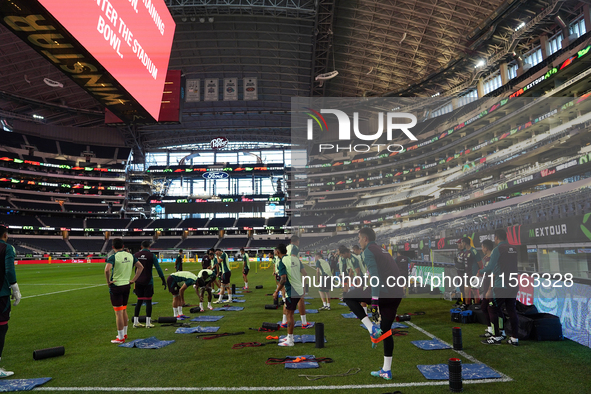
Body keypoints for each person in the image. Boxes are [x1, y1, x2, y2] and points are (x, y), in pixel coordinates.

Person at [344, 227, 404, 380]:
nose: (358, 241)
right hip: (396, 294)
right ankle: (386, 370)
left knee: (348, 297)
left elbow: (375, 278)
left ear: (365, 239)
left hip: (385, 292)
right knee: (386, 332)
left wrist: (375, 302)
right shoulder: (381, 249)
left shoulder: (368, 251)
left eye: (359, 238)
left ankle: (371, 329)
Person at [479, 229, 519, 346]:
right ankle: (514, 338)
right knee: (512, 310)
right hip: (513, 283)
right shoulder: (514, 249)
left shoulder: (498, 249)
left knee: (492, 309)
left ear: (496, 238)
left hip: (501, 285)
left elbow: (490, 267)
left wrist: (480, 271)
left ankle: (496, 336)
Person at [105, 238, 144, 344]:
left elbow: (107, 269)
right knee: (124, 310)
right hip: (127, 285)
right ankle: (124, 334)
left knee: (118, 313)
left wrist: (108, 281)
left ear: (113, 247)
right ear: (123, 246)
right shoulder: (131, 255)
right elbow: (140, 267)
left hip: (116, 286)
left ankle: (121, 338)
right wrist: (133, 280)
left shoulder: (113, 256)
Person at [273, 243, 308, 347]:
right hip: (299, 290)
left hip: (291, 291)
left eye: (275, 251)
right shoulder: (296, 259)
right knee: (289, 312)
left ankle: (290, 340)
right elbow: (305, 274)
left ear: (278, 252)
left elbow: (283, 279)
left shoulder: (282, 261)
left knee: (290, 314)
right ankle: (289, 337)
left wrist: (276, 291)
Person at [0, 226, 20, 377]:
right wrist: (15, 288)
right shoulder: (7, 248)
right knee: (1, 328)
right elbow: (9, 270)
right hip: (1, 294)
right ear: (5, 235)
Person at [132, 240, 166, 329]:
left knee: (139, 301)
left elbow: (130, 267)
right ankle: (148, 323)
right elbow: (158, 268)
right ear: (149, 246)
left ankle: (135, 322)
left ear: (141, 246)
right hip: (148, 281)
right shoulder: (151, 255)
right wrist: (163, 279)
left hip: (138, 281)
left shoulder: (135, 255)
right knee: (148, 302)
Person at [284, 236, 310, 329]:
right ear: (297, 241)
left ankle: (284, 321)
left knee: (287, 300)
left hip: (287, 273)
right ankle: (304, 322)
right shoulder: (294, 248)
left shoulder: (287, 247)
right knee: (301, 299)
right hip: (293, 273)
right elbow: (293, 258)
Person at [477, 239, 500, 339]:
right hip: (487, 286)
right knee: (485, 308)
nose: (481, 249)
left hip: (492, 288)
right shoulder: (486, 258)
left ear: (486, 248)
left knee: (491, 309)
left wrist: (490, 289)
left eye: (482, 247)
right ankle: (491, 330)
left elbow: (493, 275)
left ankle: (496, 333)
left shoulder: (493, 259)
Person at [462, 237, 483, 305]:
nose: (461, 244)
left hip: (474, 274)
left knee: (475, 292)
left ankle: (477, 306)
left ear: (464, 243)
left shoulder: (474, 251)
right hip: (467, 275)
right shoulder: (464, 251)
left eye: (462, 242)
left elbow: (480, 264)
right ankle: (467, 307)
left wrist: (479, 273)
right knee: (466, 292)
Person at [454, 239, 467, 307]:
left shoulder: (466, 252)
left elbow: (465, 265)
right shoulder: (459, 252)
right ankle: (464, 302)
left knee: (466, 290)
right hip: (459, 274)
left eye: (459, 243)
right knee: (462, 289)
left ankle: (466, 303)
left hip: (464, 274)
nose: (458, 245)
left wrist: (458, 264)